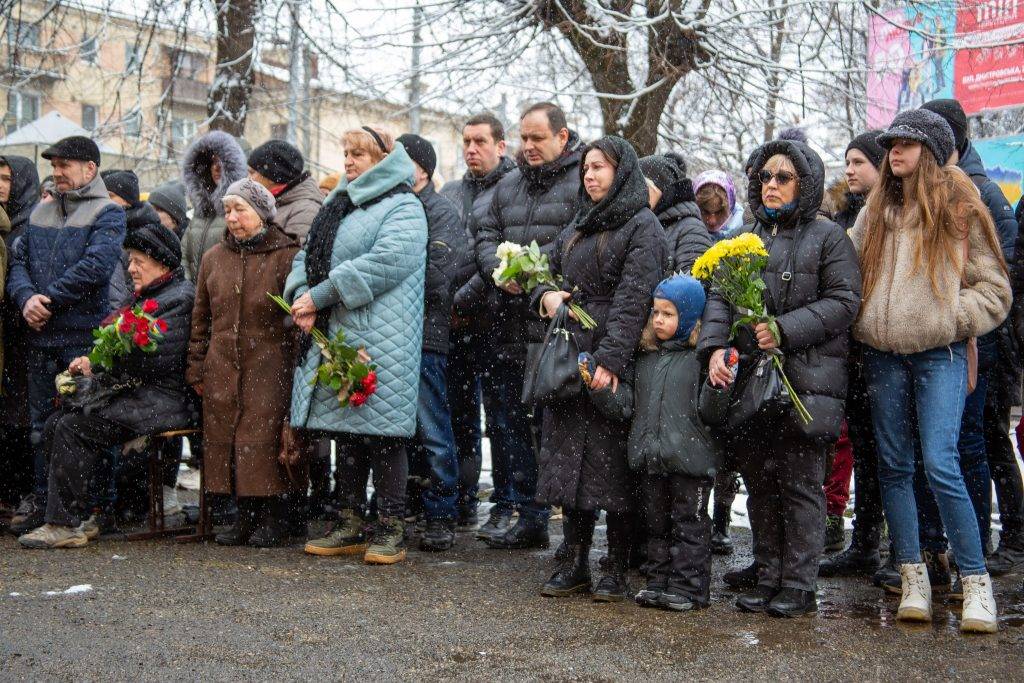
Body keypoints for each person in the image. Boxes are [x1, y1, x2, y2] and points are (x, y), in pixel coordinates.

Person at [852, 109, 1010, 633]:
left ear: (933, 149)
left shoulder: (961, 207)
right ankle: (913, 576)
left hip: (939, 353)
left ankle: (975, 581)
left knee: (942, 463)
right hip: (881, 353)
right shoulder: (874, 211)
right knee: (894, 466)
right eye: (891, 144)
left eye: (907, 144)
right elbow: (848, 272)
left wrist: (949, 319)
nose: (894, 152)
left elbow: (994, 290)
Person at [700, 138, 861, 618]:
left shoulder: (828, 236)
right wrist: (714, 349)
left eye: (783, 177)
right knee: (761, 483)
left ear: (805, 184)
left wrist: (783, 330)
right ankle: (768, 572)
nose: (771, 184)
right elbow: (720, 299)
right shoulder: (749, 236)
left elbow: (844, 302)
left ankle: (799, 582)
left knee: (800, 486)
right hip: (752, 383)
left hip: (807, 382)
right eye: (765, 177)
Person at [533, 135, 667, 601]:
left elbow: (635, 299)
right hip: (572, 354)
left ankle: (616, 564)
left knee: (612, 468)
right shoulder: (578, 223)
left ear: (622, 172)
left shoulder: (641, 225)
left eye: (601, 167)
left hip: (613, 359)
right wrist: (546, 296)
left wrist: (611, 360)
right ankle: (572, 557)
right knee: (570, 462)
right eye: (586, 167)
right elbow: (544, 272)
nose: (590, 175)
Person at [289, 127, 427, 565]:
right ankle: (348, 522)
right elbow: (306, 254)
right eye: (345, 154)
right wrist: (299, 294)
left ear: (383, 159)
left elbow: (384, 264)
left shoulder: (404, 206)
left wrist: (321, 294)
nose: (348, 162)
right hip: (340, 332)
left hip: (385, 338)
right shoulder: (339, 204)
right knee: (346, 432)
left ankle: (390, 527)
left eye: (359, 155)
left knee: (384, 436)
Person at [18, 223, 195, 548]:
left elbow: (156, 359)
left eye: (139, 261)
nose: (131, 268)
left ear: (162, 262)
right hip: (140, 394)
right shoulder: (150, 296)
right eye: (131, 260)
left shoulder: (179, 298)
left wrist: (96, 363)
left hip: (164, 400)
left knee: (75, 426)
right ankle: (84, 514)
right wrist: (91, 363)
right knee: (59, 420)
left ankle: (66, 523)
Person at [922, 98, 1024, 578]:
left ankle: (979, 548)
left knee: (975, 444)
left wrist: (960, 321)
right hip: (954, 343)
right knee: (960, 445)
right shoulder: (934, 192)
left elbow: (1002, 280)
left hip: (978, 345)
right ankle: (949, 547)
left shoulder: (980, 195)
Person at [475, 102, 584, 550]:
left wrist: (536, 276)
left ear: (562, 137)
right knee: (511, 424)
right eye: (524, 137)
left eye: (538, 137)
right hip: (507, 322)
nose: (529, 146)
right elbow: (485, 235)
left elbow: (577, 235)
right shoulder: (509, 185)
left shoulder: (582, 181)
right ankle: (527, 512)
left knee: (550, 427)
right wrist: (499, 272)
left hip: (552, 327)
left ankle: (562, 520)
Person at [6, 136, 127, 536]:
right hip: (40, 335)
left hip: (80, 338)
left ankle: (96, 508)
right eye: (54, 165)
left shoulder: (108, 213)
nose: (56, 172)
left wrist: (48, 300)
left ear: (90, 169)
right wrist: (26, 300)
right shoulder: (41, 211)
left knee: (86, 422)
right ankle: (45, 505)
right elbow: (18, 262)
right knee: (41, 427)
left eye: (65, 166)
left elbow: (96, 267)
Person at [187, 178, 305, 547]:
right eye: (228, 210)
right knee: (228, 439)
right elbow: (200, 319)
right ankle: (244, 516)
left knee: (265, 439)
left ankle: (274, 518)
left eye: (241, 210)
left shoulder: (287, 255)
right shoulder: (213, 259)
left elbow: (299, 319)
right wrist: (196, 365)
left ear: (263, 214)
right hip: (222, 364)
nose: (232, 218)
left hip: (270, 362)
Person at [441, 112, 518, 531]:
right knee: (459, 416)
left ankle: (506, 502)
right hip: (454, 325)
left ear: (500, 146)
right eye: (467, 141)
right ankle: (462, 498)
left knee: (502, 418)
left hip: (495, 319)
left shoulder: (514, 189)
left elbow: (500, 257)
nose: (472, 149)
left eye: (480, 142)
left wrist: (464, 298)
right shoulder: (452, 192)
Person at [629, 275, 723, 612]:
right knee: (656, 522)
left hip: (691, 460)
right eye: (655, 313)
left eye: (668, 314)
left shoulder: (699, 359)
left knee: (690, 523)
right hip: (654, 457)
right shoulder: (646, 358)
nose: (658, 320)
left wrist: (717, 387)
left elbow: (712, 411)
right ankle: (658, 581)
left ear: (689, 316)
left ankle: (690, 587)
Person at [819, 130, 888, 579]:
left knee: (890, 453)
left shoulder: (886, 218)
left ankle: (907, 547)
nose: (850, 170)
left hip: (885, 347)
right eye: (847, 161)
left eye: (860, 161)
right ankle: (864, 542)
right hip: (855, 351)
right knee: (863, 446)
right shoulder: (850, 215)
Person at [395, 132, 465, 550]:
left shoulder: (441, 213)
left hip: (426, 337)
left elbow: (440, 278)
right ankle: (401, 506)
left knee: (434, 429)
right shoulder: (397, 207)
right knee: (398, 433)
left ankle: (441, 513)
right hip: (395, 336)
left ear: (422, 168)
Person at [0, 155, 40, 521]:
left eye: (7, 179)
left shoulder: (31, 226)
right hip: (7, 338)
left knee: (23, 420)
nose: (1, 185)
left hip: (24, 336)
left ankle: (23, 493)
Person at [181, 130, 248, 281]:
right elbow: (184, 257)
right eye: (212, 162)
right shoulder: (200, 212)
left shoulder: (244, 212)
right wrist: (190, 292)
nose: (216, 168)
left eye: (221, 162)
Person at [639, 154, 712, 274]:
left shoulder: (691, 229)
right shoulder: (643, 224)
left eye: (643, 186)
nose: (636, 193)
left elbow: (693, 286)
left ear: (661, 188)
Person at [247, 139, 323, 244]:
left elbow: (291, 256)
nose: (248, 179)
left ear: (270, 176)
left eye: (252, 173)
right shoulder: (268, 201)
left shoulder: (306, 210)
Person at [693, 171, 745, 238]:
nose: (712, 221)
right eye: (705, 212)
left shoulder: (747, 232)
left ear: (731, 208)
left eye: (719, 212)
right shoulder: (685, 233)